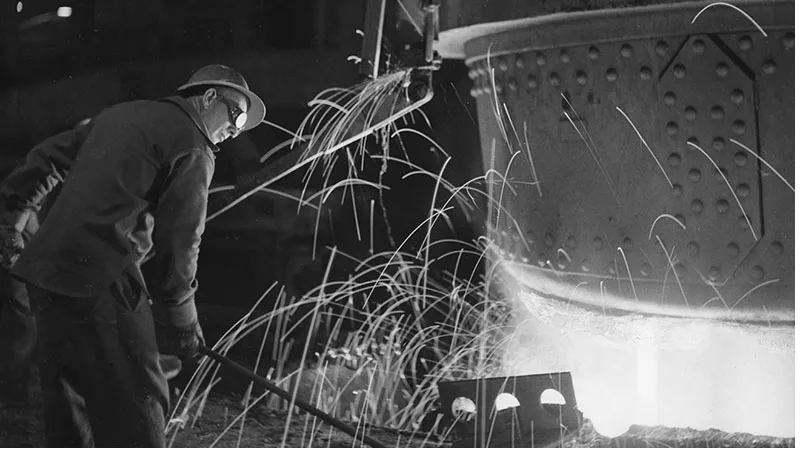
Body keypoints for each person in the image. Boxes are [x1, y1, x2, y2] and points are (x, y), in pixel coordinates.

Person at [0, 64, 266, 447]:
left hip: (45, 274)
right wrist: (183, 323)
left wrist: (15, 216)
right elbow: (182, 243)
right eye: (236, 116)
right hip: (102, 275)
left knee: (68, 399)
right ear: (208, 97)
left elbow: (48, 157)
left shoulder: (122, 114)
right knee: (138, 399)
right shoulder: (194, 144)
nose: (234, 131)